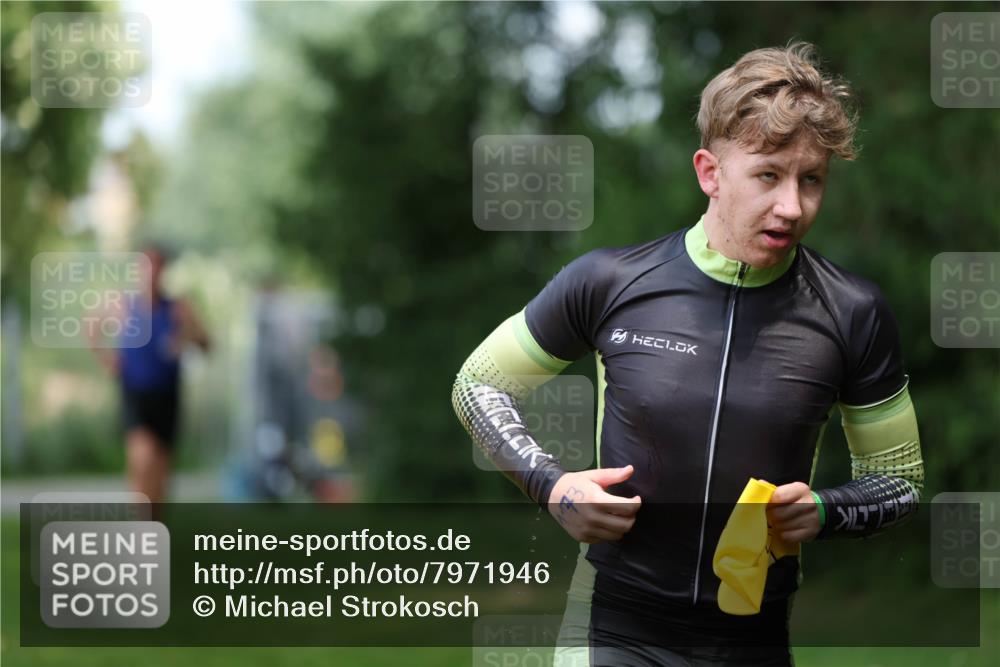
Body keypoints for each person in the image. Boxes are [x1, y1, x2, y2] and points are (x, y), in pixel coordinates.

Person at [452, 42, 924, 666]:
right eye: (768, 175)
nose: (792, 205)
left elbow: (900, 481)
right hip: (613, 629)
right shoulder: (608, 282)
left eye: (811, 179)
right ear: (710, 173)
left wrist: (824, 509)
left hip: (751, 639)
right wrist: (554, 486)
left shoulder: (852, 311)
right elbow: (478, 385)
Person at [94, 244, 211, 507]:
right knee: (142, 457)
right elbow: (91, 328)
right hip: (135, 392)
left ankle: (154, 525)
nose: (152, 273)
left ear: (164, 270)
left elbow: (207, 343)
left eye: (157, 266)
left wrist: (187, 335)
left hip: (167, 393)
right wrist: (106, 359)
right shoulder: (123, 305)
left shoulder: (177, 308)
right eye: (146, 266)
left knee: (160, 470)